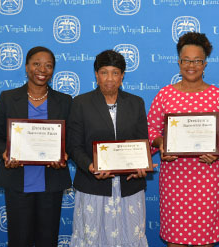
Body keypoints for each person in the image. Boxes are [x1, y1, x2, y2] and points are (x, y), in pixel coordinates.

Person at [147, 32, 219, 247]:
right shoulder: (165, 95)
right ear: (179, 62)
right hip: (174, 179)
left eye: (197, 61)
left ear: (205, 64)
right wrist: (161, 145)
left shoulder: (217, 96)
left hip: (206, 179)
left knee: (205, 239)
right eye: (186, 60)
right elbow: (151, 131)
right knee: (175, 240)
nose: (191, 65)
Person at [0, 46, 72, 247]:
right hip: (18, 181)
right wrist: (5, 153)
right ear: (26, 67)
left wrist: (64, 155)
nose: (42, 70)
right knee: (19, 241)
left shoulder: (65, 101)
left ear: (53, 71)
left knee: (47, 241)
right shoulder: (8, 98)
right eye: (36, 64)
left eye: (48, 65)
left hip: (51, 182)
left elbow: (70, 140)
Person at [67, 50, 151, 247]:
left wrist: (141, 166)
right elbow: (73, 145)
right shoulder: (81, 103)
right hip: (93, 185)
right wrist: (89, 166)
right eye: (104, 72)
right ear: (96, 75)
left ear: (122, 76)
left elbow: (142, 141)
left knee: (130, 237)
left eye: (115, 72)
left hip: (129, 187)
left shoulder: (136, 102)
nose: (110, 78)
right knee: (91, 239)